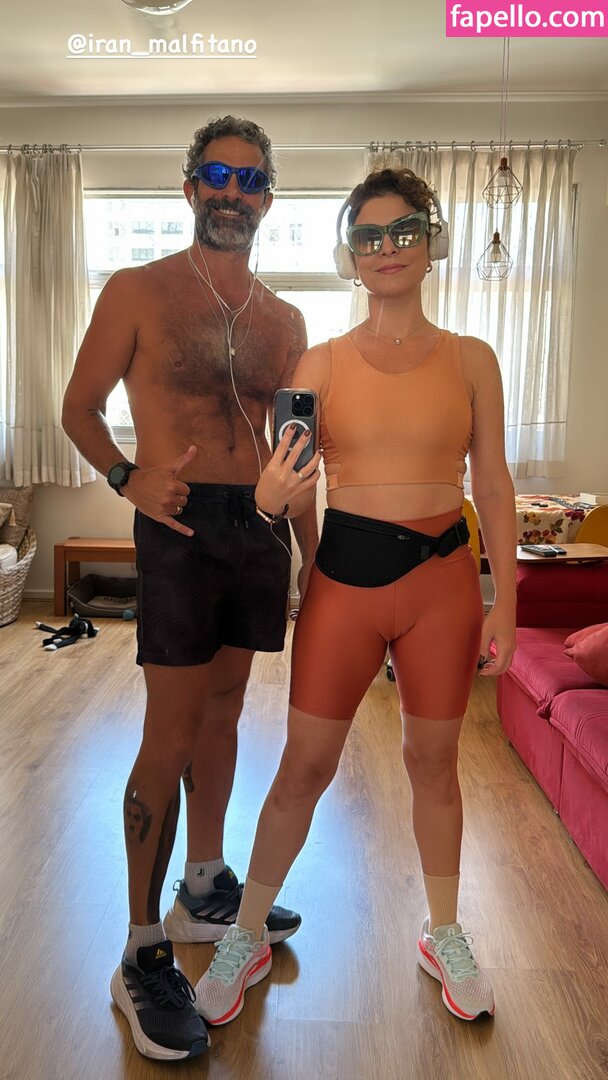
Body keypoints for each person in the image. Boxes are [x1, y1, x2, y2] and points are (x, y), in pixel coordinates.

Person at [193, 166, 517, 1027]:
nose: (387, 249)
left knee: (433, 764)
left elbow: (493, 482)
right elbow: (289, 488)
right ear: (350, 256)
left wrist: (509, 602)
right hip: (346, 582)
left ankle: (443, 931)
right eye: (369, 236)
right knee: (304, 767)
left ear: (432, 241)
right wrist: (275, 506)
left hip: (446, 585)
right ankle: (246, 935)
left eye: (404, 230)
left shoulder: (473, 360)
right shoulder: (322, 364)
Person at [61, 116, 320, 1062]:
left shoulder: (287, 322)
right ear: (189, 187)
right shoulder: (137, 290)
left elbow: (298, 452)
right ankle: (140, 954)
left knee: (225, 713)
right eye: (217, 174)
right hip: (174, 523)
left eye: (249, 180)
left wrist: (315, 558)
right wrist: (128, 477)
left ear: (268, 198)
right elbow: (78, 408)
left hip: (258, 527)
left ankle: (204, 887)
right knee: (168, 734)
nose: (232, 192)